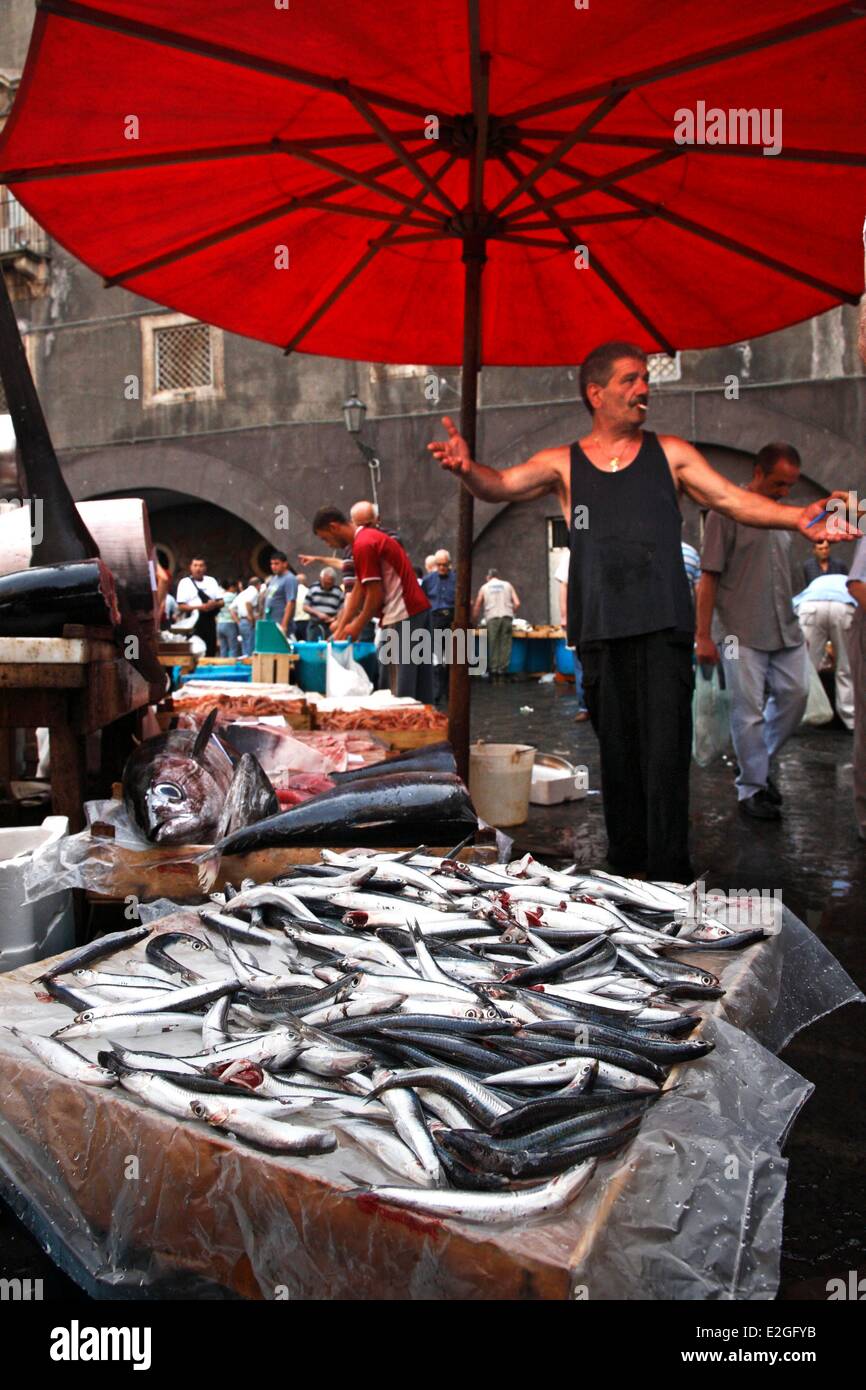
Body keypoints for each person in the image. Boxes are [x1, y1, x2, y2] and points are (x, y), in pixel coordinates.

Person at [429, 341, 855, 882]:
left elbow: (730, 498)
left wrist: (797, 518)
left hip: (664, 630)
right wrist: (467, 469)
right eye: (630, 380)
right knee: (620, 758)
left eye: (645, 379)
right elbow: (501, 484)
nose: (643, 389)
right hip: (602, 634)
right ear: (596, 393)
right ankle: (626, 871)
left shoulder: (670, 453)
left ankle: (672, 874)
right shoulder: (563, 463)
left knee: (666, 758)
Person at [696, 444, 812, 822]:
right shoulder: (724, 512)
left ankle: (754, 765)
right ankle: (752, 788)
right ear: (758, 473)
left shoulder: (783, 515)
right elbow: (708, 576)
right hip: (737, 633)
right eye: (778, 483)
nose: (785, 493)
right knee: (747, 714)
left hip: (785, 627)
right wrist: (703, 635)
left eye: (790, 486)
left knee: (797, 695)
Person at [313, 506, 434, 702]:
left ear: (333, 527)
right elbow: (359, 589)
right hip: (414, 612)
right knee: (416, 688)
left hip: (402, 614)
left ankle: (404, 732)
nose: (328, 545)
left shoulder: (364, 544)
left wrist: (356, 626)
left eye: (325, 538)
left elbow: (374, 596)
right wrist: (343, 626)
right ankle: (425, 730)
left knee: (398, 694)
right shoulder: (366, 539)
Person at [794, 571, 856, 730]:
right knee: (846, 668)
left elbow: (794, 606)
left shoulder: (815, 583)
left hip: (810, 606)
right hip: (844, 607)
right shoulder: (851, 581)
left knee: (806, 667)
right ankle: (851, 720)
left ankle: (796, 717)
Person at [555, 551, 589, 720]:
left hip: (584, 618)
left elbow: (564, 585)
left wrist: (564, 616)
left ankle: (586, 707)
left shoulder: (573, 552)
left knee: (581, 664)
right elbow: (564, 585)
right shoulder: (573, 553)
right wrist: (564, 615)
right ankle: (585, 706)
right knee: (582, 662)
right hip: (583, 618)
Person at [422, 548, 457, 704]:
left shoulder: (455, 579)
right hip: (435, 619)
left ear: (449, 564)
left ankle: (450, 692)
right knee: (436, 658)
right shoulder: (429, 580)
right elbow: (423, 600)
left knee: (450, 658)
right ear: (435, 564)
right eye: (439, 564)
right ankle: (436, 693)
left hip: (450, 618)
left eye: (445, 564)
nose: (442, 567)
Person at [473, 569, 519, 681]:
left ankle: (493, 670)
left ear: (488, 577)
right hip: (507, 617)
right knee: (505, 643)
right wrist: (511, 611)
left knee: (493, 643)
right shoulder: (507, 585)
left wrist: (474, 620)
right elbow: (517, 603)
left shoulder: (485, 587)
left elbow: (477, 605)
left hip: (492, 618)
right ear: (498, 576)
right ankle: (502, 669)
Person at [176, 557, 224, 657]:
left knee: (210, 650)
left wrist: (213, 604)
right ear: (191, 567)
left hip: (209, 620)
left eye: (201, 565)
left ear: (205, 568)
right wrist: (200, 607)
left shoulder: (211, 581)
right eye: (195, 565)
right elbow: (181, 606)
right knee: (195, 650)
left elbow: (221, 602)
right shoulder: (185, 583)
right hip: (192, 622)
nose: (198, 568)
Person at [262, 551, 298, 639]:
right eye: (272, 564)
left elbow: (291, 602)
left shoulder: (289, 579)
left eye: (276, 564)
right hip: (270, 622)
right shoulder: (274, 578)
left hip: (281, 623)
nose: (273, 566)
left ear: (285, 564)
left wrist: (284, 624)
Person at [305, 567, 344, 641]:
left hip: (331, 625)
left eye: (329, 583)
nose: (327, 585)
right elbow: (305, 606)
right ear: (321, 578)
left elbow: (342, 608)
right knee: (313, 646)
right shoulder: (313, 588)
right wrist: (318, 614)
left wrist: (335, 618)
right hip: (315, 624)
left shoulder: (338, 591)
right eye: (325, 582)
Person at [234, 576, 261, 656]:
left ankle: (245, 664)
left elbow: (231, 608)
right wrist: (251, 617)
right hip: (249, 621)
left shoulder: (243, 593)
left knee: (245, 645)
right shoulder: (254, 591)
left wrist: (238, 621)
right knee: (250, 645)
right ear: (258, 584)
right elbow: (248, 603)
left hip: (242, 621)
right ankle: (250, 665)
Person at [216, 580, 241, 657]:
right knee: (233, 647)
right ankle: (232, 667)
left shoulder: (220, 597)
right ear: (231, 587)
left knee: (223, 648)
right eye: (235, 587)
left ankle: (222, 666)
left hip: (220, 624)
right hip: (230, 623)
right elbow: (237, 610)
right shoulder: (234, 597)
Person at [294, 572, 309, 641]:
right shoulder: (309, 591)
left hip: (295, 622)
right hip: (306, 622)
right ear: (305, 581)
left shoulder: (293, 592)